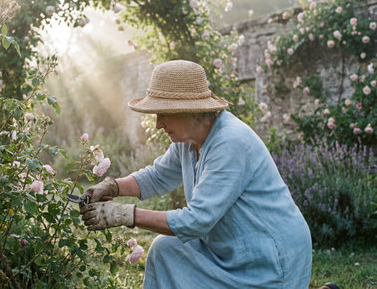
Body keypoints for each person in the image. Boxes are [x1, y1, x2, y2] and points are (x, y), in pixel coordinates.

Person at [80, 60, 312, 288]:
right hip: (229, 253)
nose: (158, 123)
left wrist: (125, 215)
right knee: (165, 250)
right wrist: (112, 186)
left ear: (192, 112)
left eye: (164, 113)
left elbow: (196, 221)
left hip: (268, 262)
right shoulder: (188, 140)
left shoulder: (230, 142)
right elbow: (158, 176)